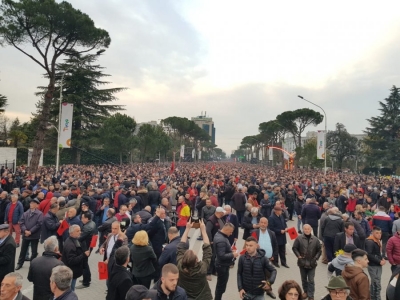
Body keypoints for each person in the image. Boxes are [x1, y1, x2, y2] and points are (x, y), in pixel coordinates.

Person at [176, 219, 212, 299]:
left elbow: (181, 246)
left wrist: (187, 228)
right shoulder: (202, 269)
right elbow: (207, 249)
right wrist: (203, 229)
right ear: (196, 260)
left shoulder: (180, 267)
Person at [28, 236, 64, 300]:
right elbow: (61, 284)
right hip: (51, 296)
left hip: (37, 296)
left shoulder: (34, 261)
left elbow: (30, 278)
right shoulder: (59, 264)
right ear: (56, 248)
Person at [292, 224, 321, 300]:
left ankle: (311, 295)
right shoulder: (299, 238)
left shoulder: (315, 239)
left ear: (311, 229)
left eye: (308, 229)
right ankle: (305, 292)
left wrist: (316, 258)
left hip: (312, 263)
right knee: (304, 279)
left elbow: (319, 250)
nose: (307, 230)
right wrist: (298, 256)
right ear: (303, 229)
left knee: (311, 280)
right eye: (305, 229)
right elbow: (294, 248)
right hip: (302, 263)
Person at [16, 198, 43, 270]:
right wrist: (25, 231)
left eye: (34, 203)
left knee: (34, 252)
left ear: (37, 205)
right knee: (23, 250)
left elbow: (39, 224)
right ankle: (20, 263)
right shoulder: (25, 213)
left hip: (34, 235)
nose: (31, 205)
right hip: (26, 235)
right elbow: (21, 223)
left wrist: (30, 231)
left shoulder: (39, 214)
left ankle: (32, 265)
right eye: (31, 203)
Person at [213, 222, 239, 300]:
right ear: (226, 229)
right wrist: (233, 255)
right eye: (230, 232)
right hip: (222, 266)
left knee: (220, 285)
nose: (231, 234)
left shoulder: (219, 235)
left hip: (222, 264)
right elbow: (222, 256)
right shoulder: (221, 240)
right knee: (221, 286)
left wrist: (230, 250)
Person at [62, 224, 90, 291]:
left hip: (73, 272)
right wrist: (83, 255)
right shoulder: (70, 245)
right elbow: (71, 261)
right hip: (71, 272)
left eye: (80, 230)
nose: (80, 232)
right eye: (77, 231)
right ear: (71, 233)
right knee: (70, 290)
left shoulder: (74, 240)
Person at [75, 211, 96, 289]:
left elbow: (80, 238)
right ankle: (87, 278)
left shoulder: (87, 227)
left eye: (83, 218)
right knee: (85, 263)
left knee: (84, 264)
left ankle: (85, 282)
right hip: (89, 246)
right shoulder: (92, 223)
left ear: (87, 218)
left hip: (85, 247)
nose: (81, 219)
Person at [365, 226, 385, 300]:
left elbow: (377, 253)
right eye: (377, 233)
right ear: (372, 233)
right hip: (373, 265)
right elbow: (369, 254)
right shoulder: (370, 241)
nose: (379, 234)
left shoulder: (377, 241)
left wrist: (382, 258)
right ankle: (375, 298)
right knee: (376, 283)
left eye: (380, 233)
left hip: (378, 265)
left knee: (377, 282)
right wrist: (379, 261)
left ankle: (376, 297)